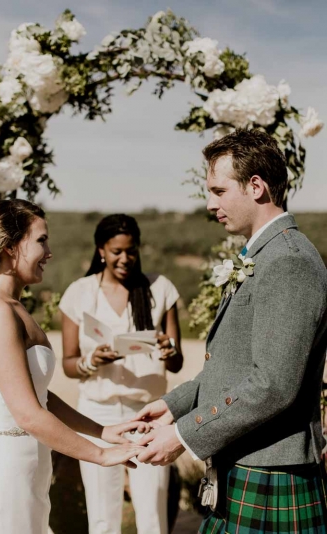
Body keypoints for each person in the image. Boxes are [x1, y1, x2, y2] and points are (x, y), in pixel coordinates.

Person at [135, 129, 327, 533]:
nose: (210, 204)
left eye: (219, 190)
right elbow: (236, 362)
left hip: (272, 467)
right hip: (245, 458)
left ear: (255, 186)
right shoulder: (264, 254)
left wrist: (183, 435)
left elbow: (273, 383)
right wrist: (175, 405)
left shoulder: (287, 261)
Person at [0, 199, 149, 534]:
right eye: (41, 240)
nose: (49, 252)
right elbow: (28, 414)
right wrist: (100, 455)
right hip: (3, 468)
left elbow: (41, 397)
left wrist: (103, 431)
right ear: (11, 247)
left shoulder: (15, 307)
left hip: (29, 462)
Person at [59, 214, 183, 534]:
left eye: (131, 251)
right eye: (116, 251)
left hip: (148, 416)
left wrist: (170, 352)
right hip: (98, 415)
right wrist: (92, 361)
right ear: (101, 250)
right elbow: (68, 364)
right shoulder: (79, 293)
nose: (124, 259)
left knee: (153, 511)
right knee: (101, 514)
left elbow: (177, 362)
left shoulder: (160, 288)